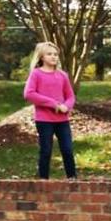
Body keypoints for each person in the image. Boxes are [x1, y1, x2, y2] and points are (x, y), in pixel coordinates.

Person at [23, 41, 77, 179]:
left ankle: (72, 179)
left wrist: (67, 106)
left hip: (62, 121)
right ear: (41, 57)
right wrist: (54, 104)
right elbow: (29, 93)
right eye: (49, 54)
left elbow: (70, 96)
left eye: (55, 54)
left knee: (67, 150)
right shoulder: (36, 74)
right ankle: (43, 181)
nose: (53, 57)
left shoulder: (62, 75)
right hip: (44, 120)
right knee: (46, 151)